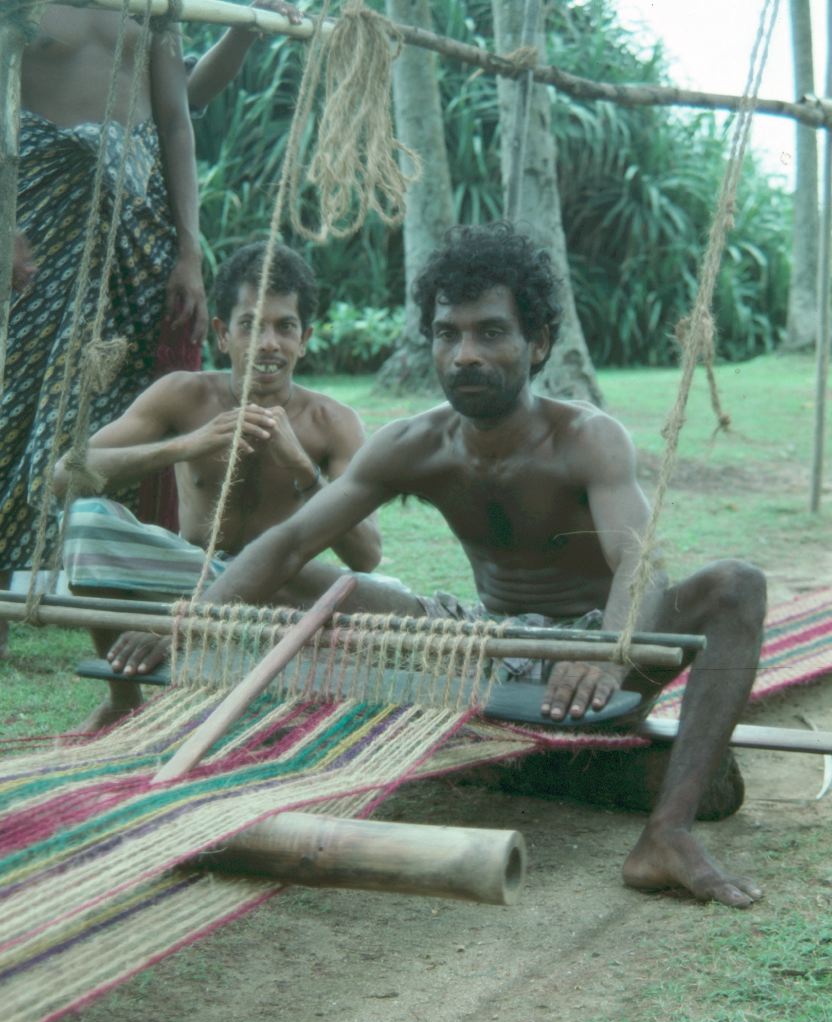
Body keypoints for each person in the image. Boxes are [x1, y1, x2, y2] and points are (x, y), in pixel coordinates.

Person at [109, 222, 768, 910]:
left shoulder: (587, 438)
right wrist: (186, 622)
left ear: (538, 342)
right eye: (447, 334)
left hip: (596, 649)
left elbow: (639, 558)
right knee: (315, 580)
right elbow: (292, 541)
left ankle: (666, 834)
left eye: (490, 333)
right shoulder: (416, 443)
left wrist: (604, 652)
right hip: (484, 641)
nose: (464, 355)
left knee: (735, 587)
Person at [54, 241, 382, 730]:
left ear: (306, 338)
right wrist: (186, 446)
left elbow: (367, 556)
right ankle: (123, 700)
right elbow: (65, 475)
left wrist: (300, 467)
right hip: (189, 582)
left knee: (379, 596)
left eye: (284, 327)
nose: (268, 343)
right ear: (224, 335)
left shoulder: (333, 422)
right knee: (83, 523)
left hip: (280, 592)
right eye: (251, 324)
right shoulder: (182, 395)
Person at [0, 4, 209, 654]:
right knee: (14, 397)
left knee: (126, 398)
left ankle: (122, 587)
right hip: (38, 216)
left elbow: (176, 123)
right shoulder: (22, 6)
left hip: (139, 220)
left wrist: (189, 248)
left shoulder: (153, 5)